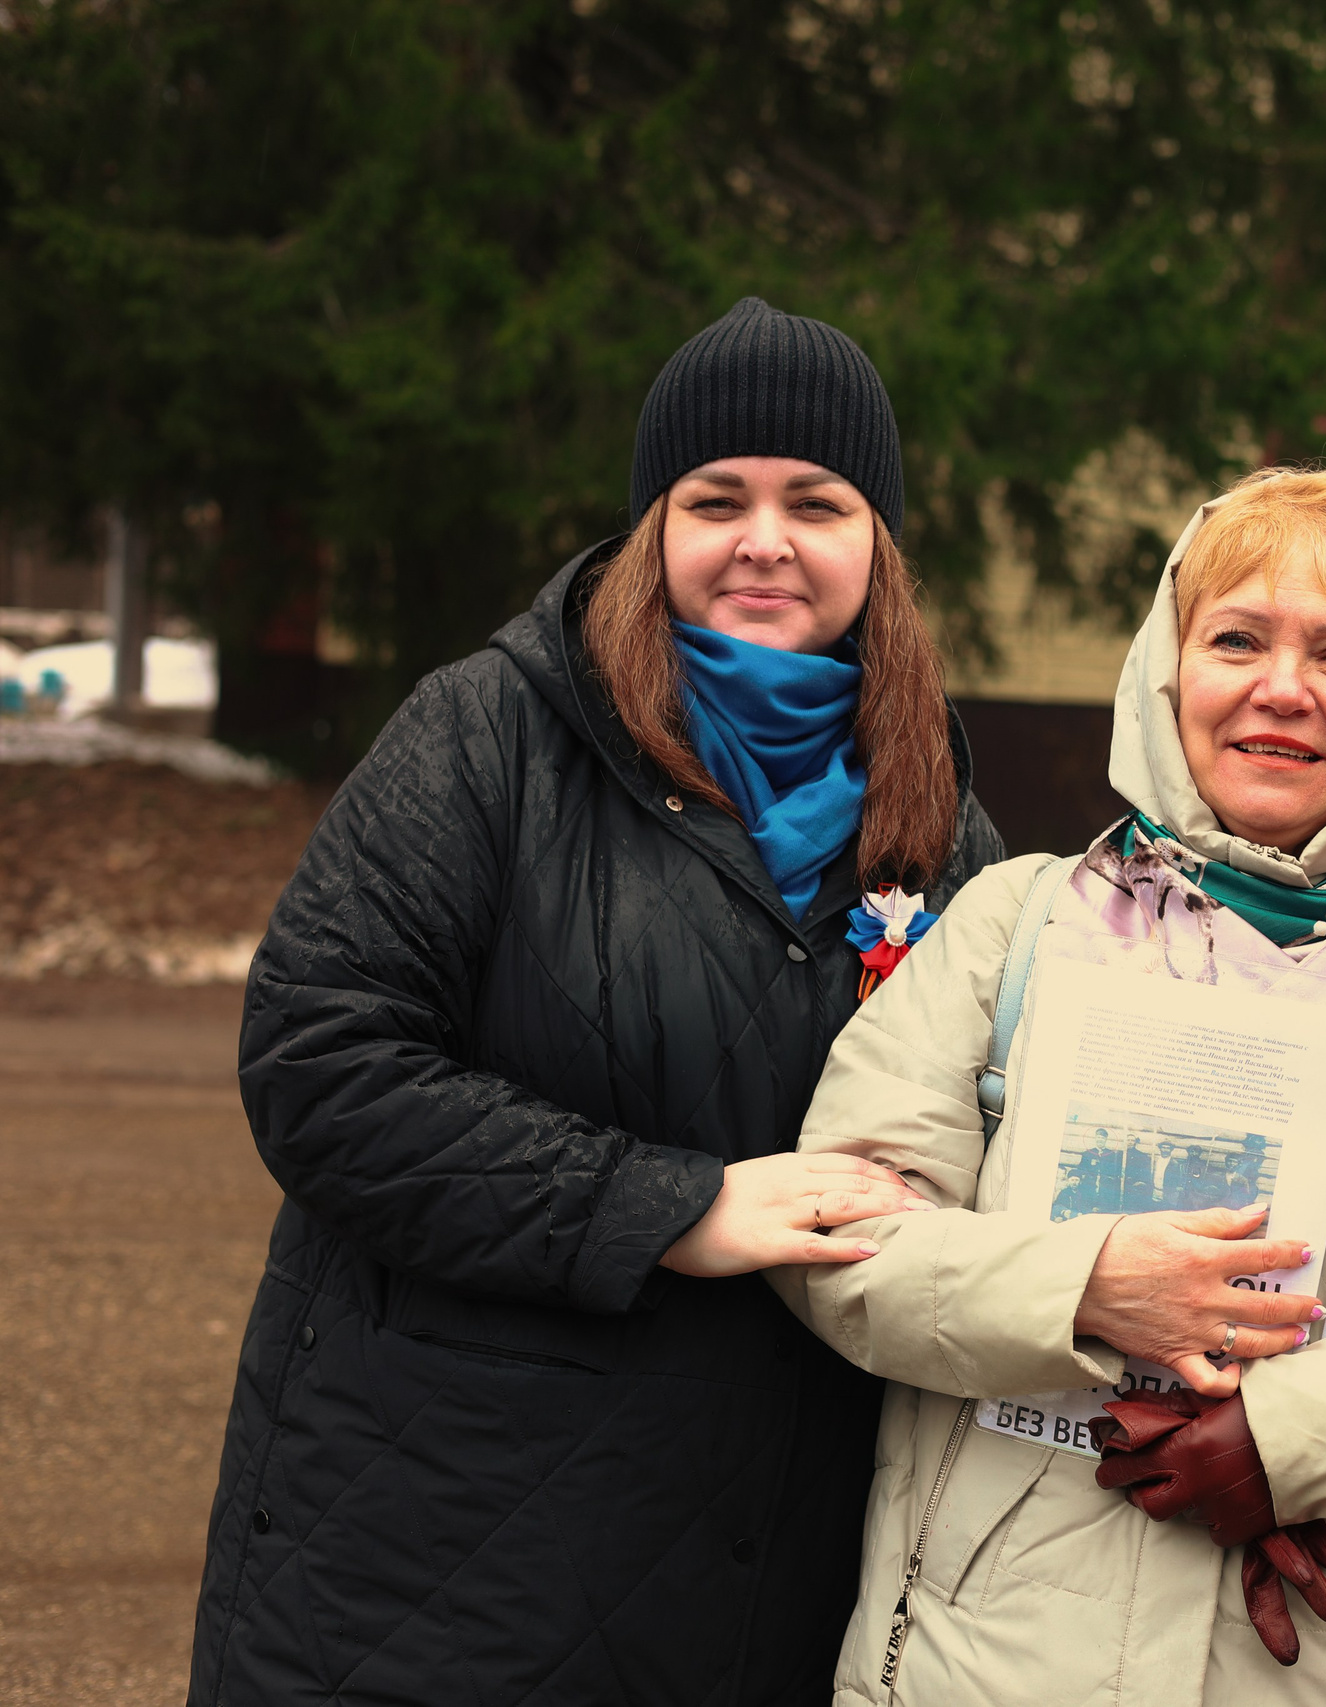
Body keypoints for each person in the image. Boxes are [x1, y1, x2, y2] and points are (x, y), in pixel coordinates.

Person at [187, 297, 1004, 1707]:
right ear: (651, 527)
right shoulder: (493, 734)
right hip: (445, 1566)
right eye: (716, 497)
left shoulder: (941, 822)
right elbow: (323, 1064)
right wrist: (672, 1206)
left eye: (817, 499)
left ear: (877, 542)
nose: (766, 537)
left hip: (764, 1580)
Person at [768, 466, 1326, 1703]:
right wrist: (1090, 1287)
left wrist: (1293, 1443)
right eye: (1237, 639)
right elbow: (837, 1235)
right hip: (993, 1649)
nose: (1282, 688)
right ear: (1170, 670)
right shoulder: (1015, 927)